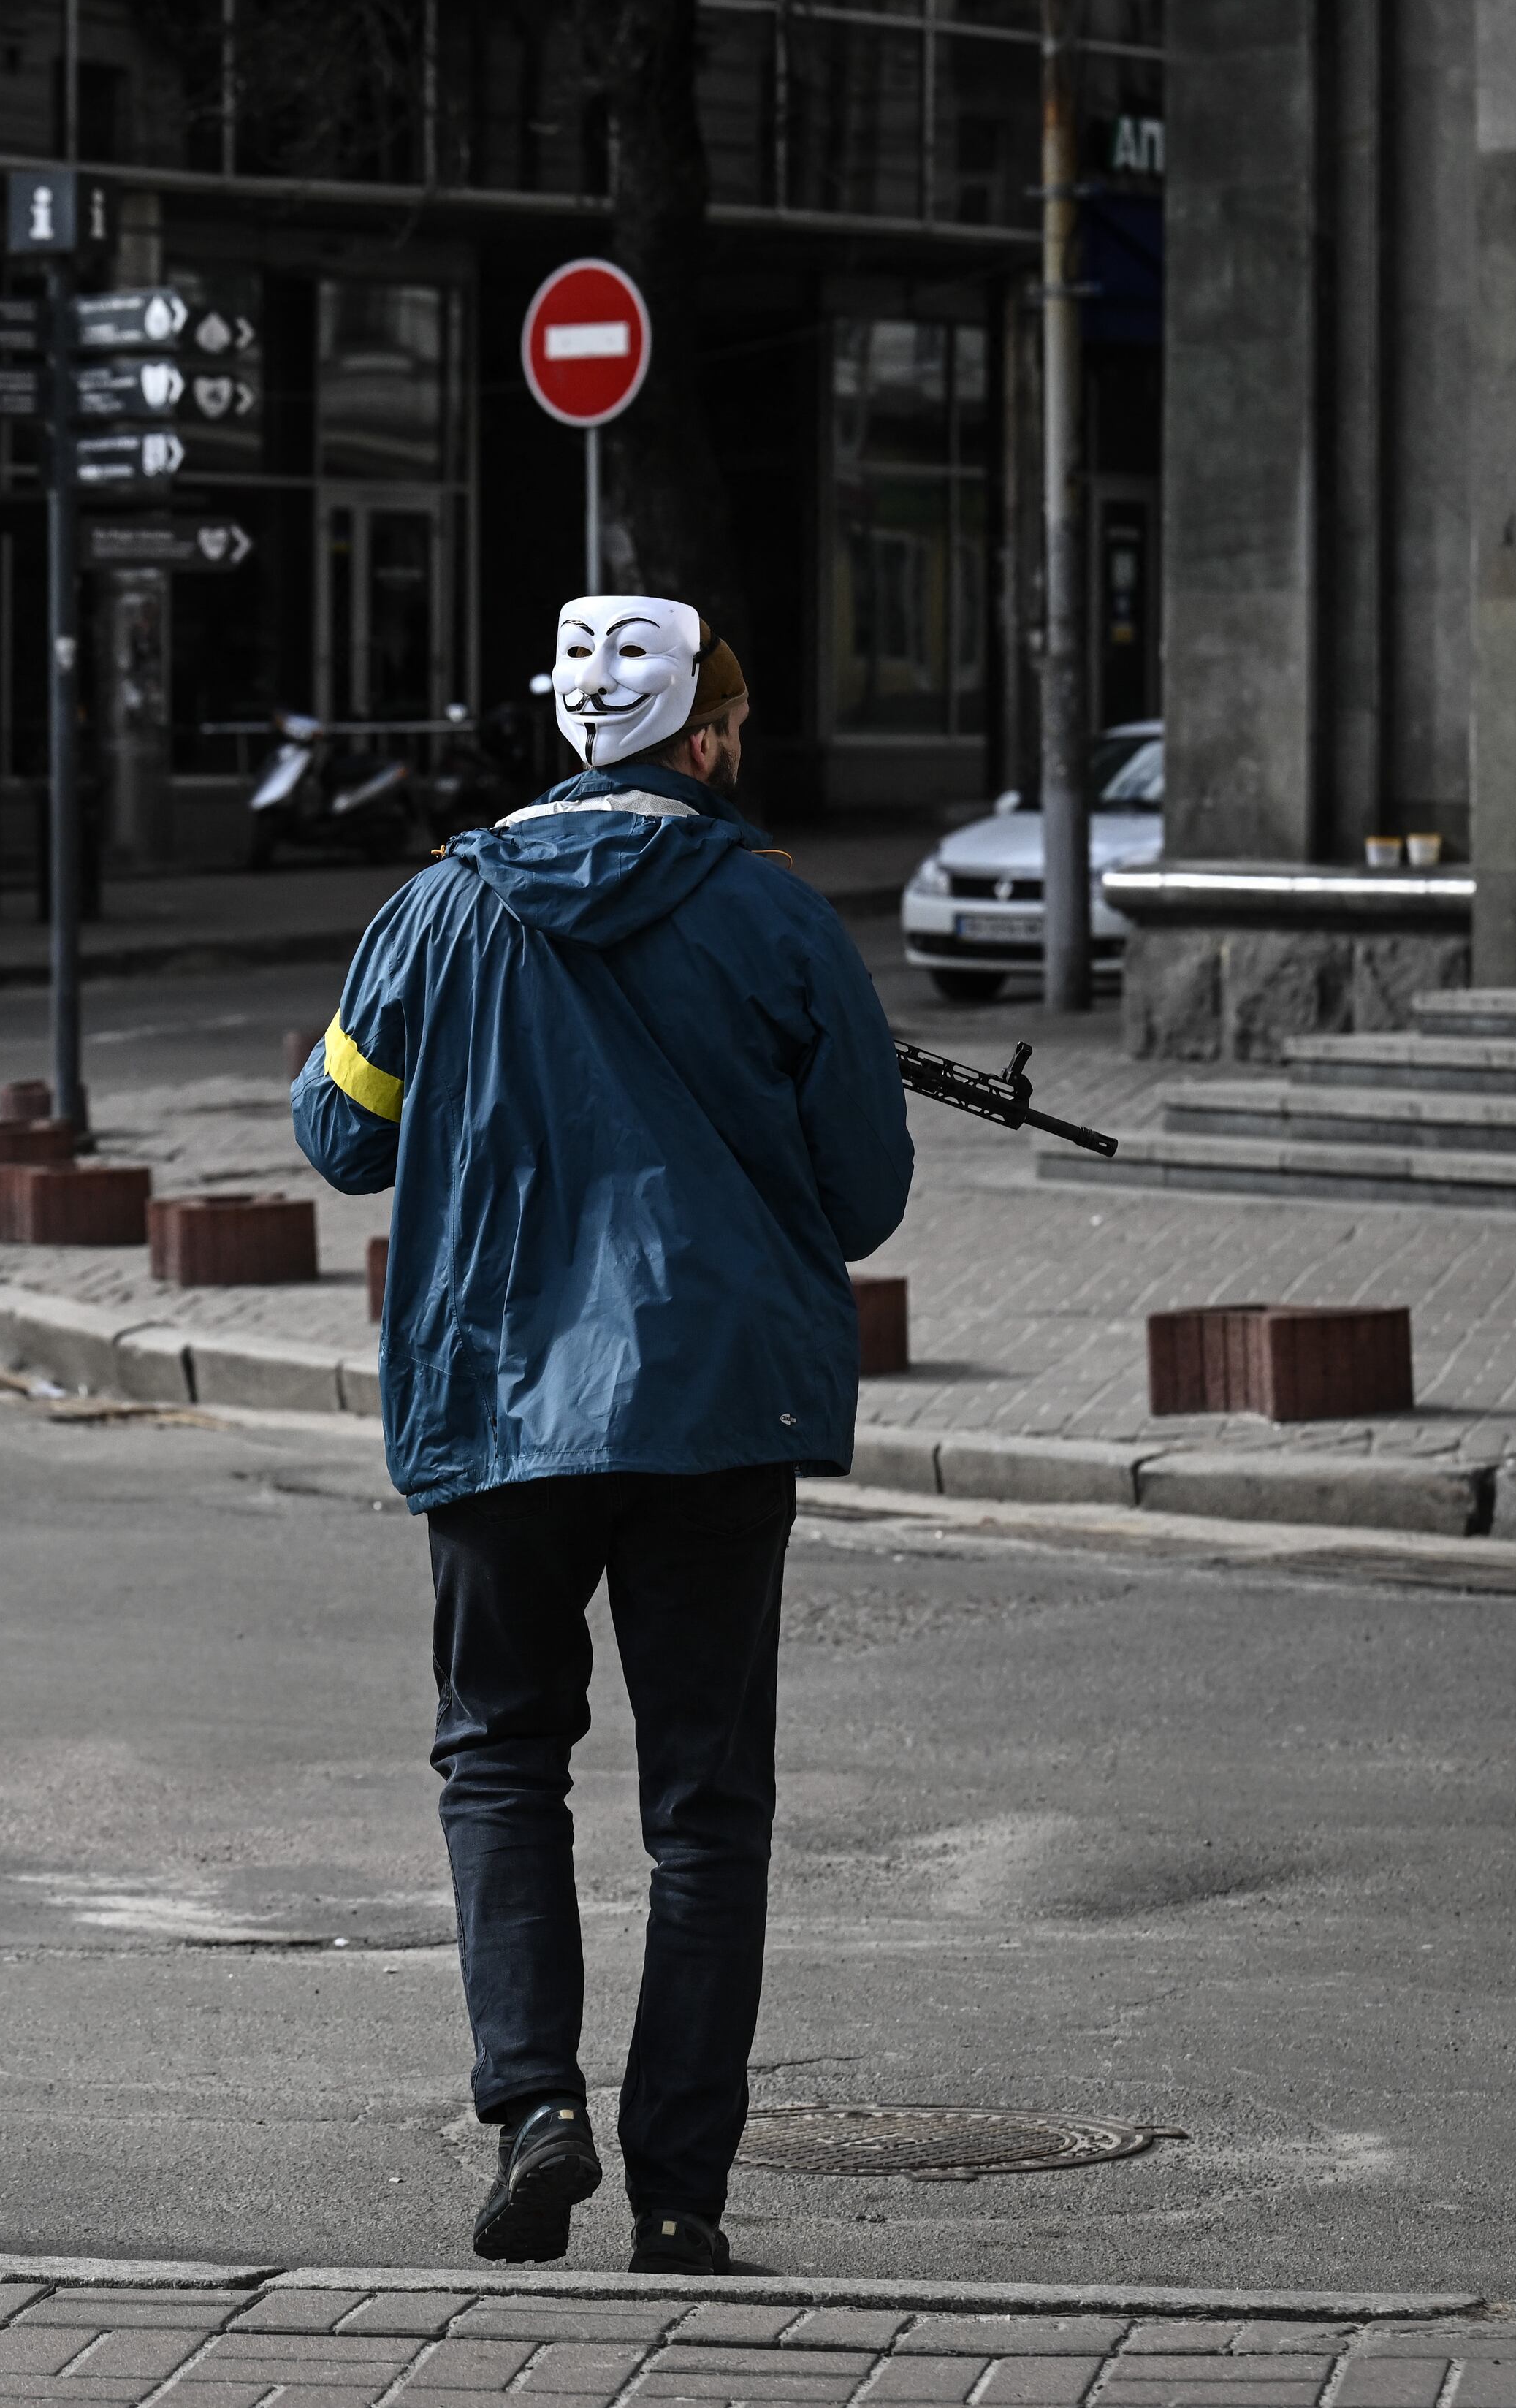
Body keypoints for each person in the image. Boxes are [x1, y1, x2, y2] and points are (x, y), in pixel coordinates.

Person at [292, 597, 910, 2274]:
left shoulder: (437, 907)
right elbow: (864, 1189)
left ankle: (531, 2106)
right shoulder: (781, 918)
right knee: (706, 1806)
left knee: (500, 1754)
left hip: (497, 1402)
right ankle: (680, 2192)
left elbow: (338, 1130)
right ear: (702, 741)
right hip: (715, 1407)